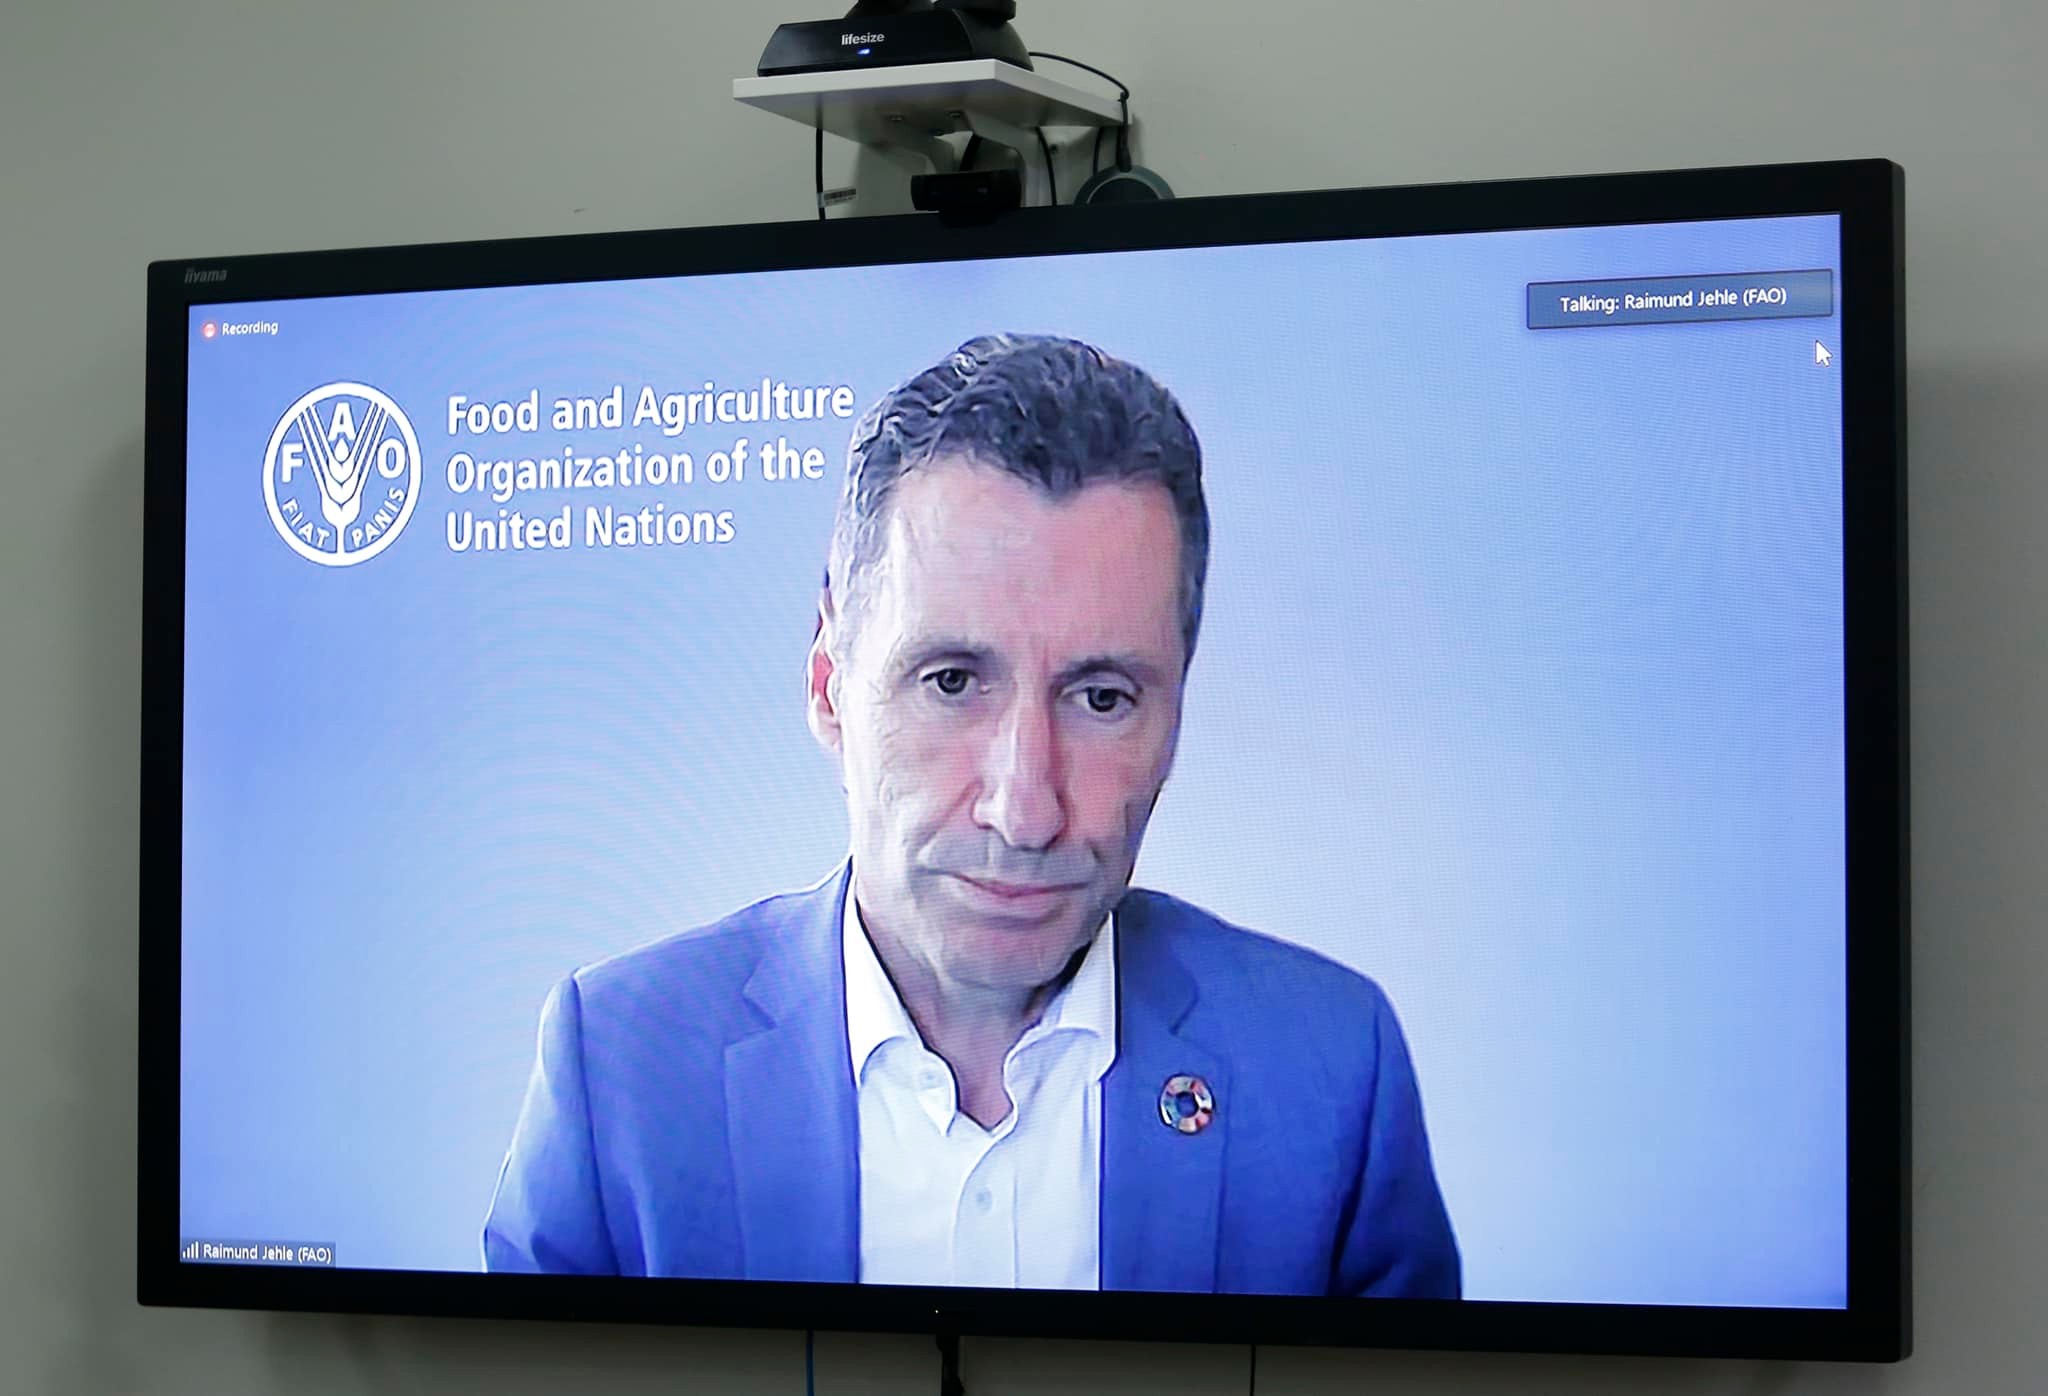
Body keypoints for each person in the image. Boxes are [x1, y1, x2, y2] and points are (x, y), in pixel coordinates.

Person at [483, 334, 1460, 1296]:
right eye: (951, 681)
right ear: (829, 686)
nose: (1023, 811)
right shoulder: (616, 1065)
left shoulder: (1333, 1069)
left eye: (1102, 698)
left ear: (1176, 714)